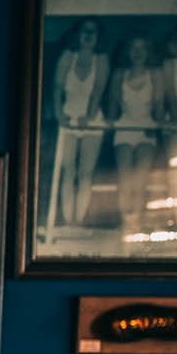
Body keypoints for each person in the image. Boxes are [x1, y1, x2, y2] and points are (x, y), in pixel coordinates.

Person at [48, 17, 109, 229]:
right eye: (85, 31)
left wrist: (89, 117)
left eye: (93, 31)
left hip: (92, 119)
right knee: (68, 171)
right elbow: (56, 88)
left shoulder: (102, 59)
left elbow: (98, 91)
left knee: (85, 173)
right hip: (68, 117)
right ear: (78, 34)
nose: (89, 36)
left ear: (98, 36)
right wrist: (59, 114)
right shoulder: (67, 57)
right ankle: (67, 221)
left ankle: (80, 221)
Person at [106, 34, 165, 228]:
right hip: (124, 128)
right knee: (125, 179)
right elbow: (113, 109)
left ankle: (136, 224)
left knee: (140, 180)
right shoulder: (119, 75)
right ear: (127, 51)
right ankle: (125, 222)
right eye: (133, 48)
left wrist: (155, 127)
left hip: (146, 128)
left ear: (148, 52)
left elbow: (158, 108)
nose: (137, 52)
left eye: (142, 48)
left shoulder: (155, 74)